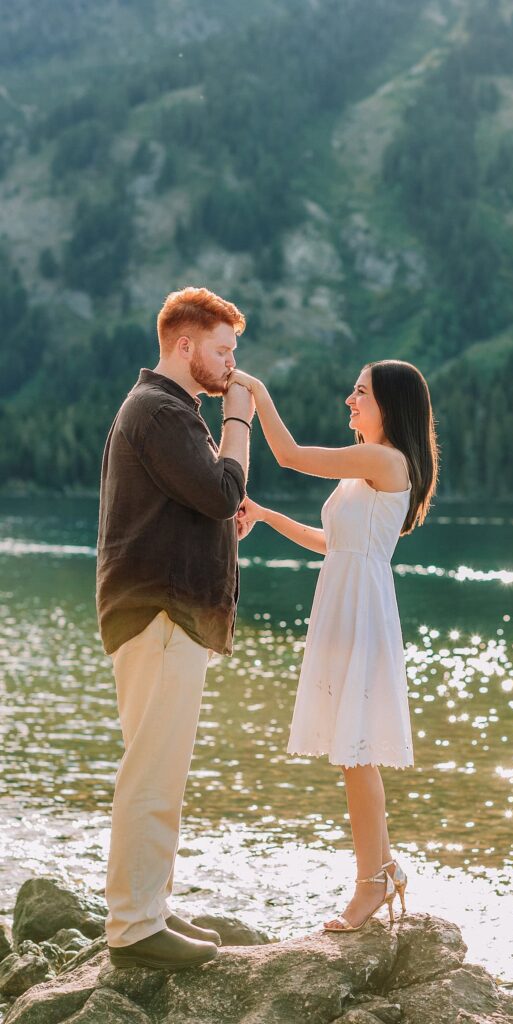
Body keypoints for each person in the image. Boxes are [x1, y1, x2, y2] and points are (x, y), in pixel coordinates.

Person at [234, 359, 438, 931]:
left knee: (356, 751)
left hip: (363, 613)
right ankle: (386, 868)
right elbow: (333, 542)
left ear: (389, 405)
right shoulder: (366, 470)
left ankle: (371, 883)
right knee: (355, 749)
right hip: (348, 601)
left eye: (361, 392)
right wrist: (268, 516)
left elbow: (290, 455)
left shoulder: (385, 459)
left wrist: (256, 390)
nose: (349, 400)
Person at [96, 286, 255, 969]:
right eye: (222, 352)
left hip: (161, 615)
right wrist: (240, 420)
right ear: (183, 345)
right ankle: (134, 926)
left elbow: (206, 502)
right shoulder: (162, 411)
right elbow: (220, 490)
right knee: (153, 775)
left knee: (160, 768)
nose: (231, 368)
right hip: (161, 614)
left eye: (234, 356)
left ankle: (148, 906)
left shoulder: (164, 412)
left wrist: (226, 510)